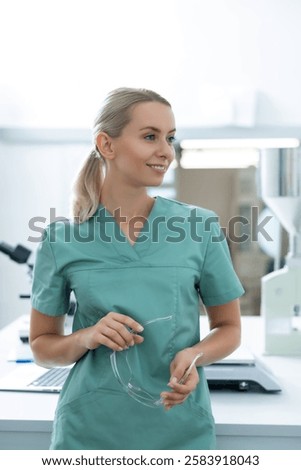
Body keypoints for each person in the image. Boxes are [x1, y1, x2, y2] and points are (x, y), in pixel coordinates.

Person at [30, 87, 244, 450]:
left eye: (170, 138)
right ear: (106, 145)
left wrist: (195, 355)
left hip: (179, 429)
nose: (166, 151)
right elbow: (42, 345)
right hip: (89, 432)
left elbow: (229, 328)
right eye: (150, 136)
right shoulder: (60, 238)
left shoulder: (199, 227)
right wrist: (85, 337)